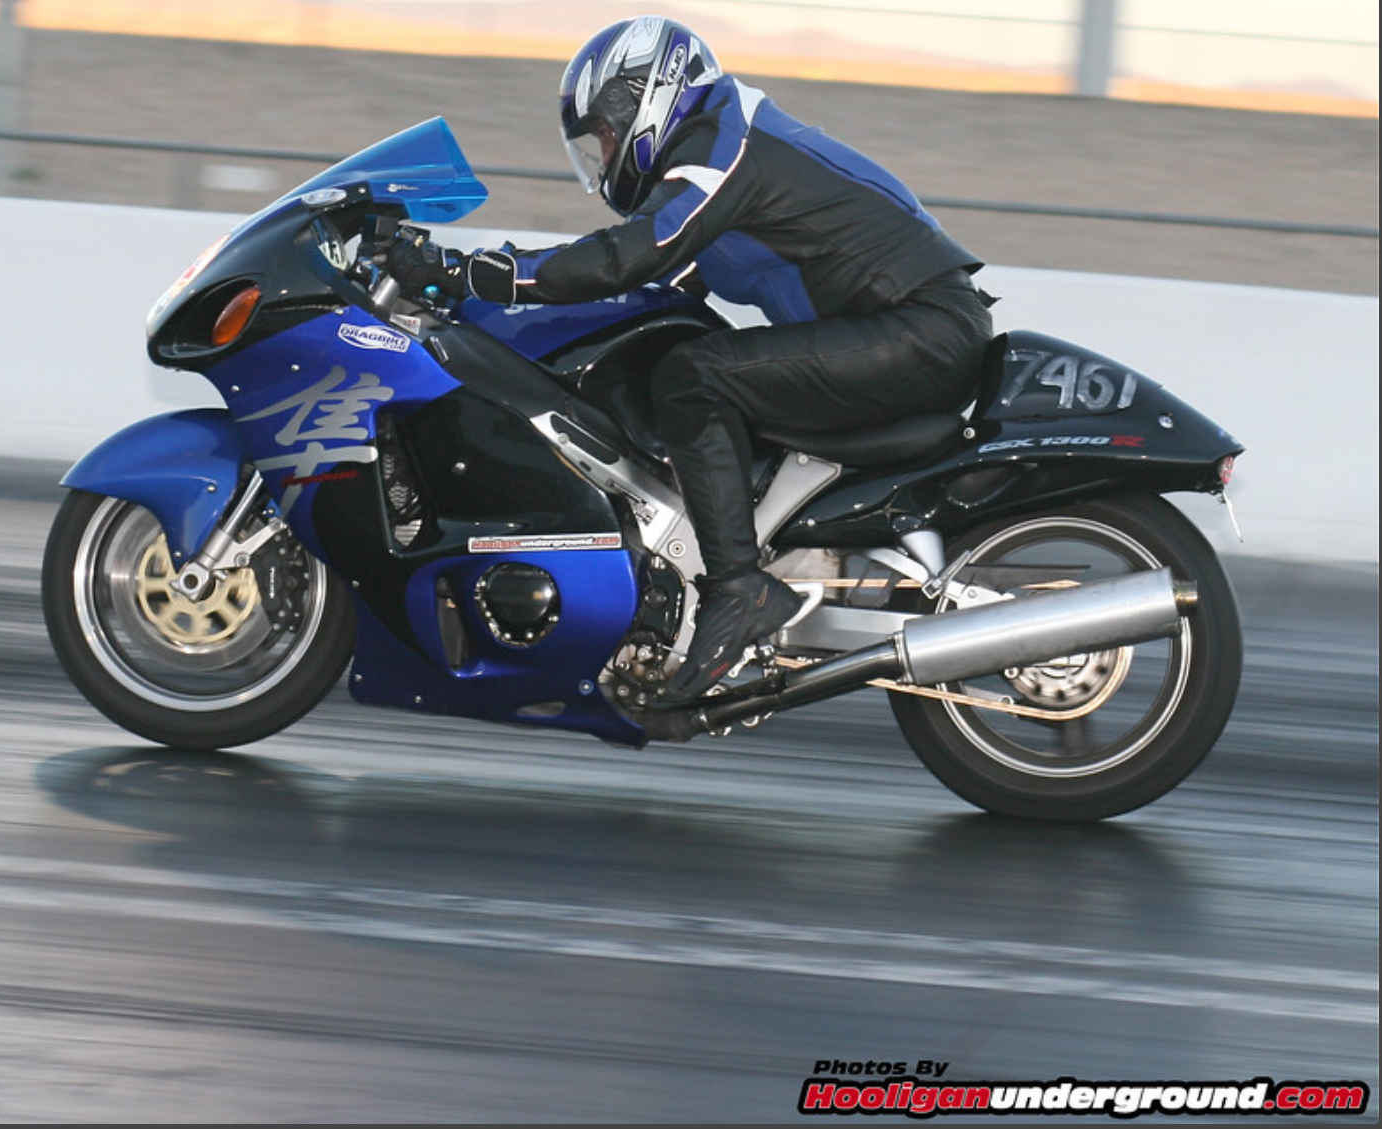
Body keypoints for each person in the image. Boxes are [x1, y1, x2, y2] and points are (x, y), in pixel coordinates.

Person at [387, 15, 995, 704]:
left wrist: (470, 272)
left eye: (605, 134)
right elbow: (649, 285)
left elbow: (628, 256)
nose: (604, 154)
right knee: (670, 356)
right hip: (901, 328)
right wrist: (475, 303)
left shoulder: (724, 145)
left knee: (694, 376)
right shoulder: (721, 152)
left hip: (920, 330)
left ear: (645, 99)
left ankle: (739, 588)